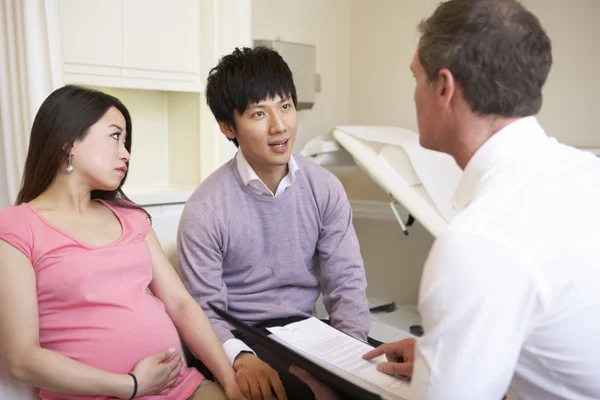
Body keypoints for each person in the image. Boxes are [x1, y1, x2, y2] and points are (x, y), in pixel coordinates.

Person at [292, 0, 600, 399]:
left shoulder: (479, 241)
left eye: (415, 78)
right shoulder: (585, 173)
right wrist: (445, 355)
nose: (414, 96)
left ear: (444, 88)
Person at [0, 85, 245, 400]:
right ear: (68, 141)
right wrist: (131, 385)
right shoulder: (17, 226)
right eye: (115, 136)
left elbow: (181, 304)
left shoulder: (130, 217)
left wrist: (229, 380)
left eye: (126, 141)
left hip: (181, 387)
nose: (126, 153)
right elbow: (22, 360)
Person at [177, 46, 371, 400]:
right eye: (258, 113)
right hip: (241, 339)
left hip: (308, 334)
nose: (279, 125)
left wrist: (353, 355)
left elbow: (346, 282)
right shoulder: (205, 208)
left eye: (285, 106)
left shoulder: (324, 187)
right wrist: (240, 357)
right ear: (227, 127)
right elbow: (203, 308)